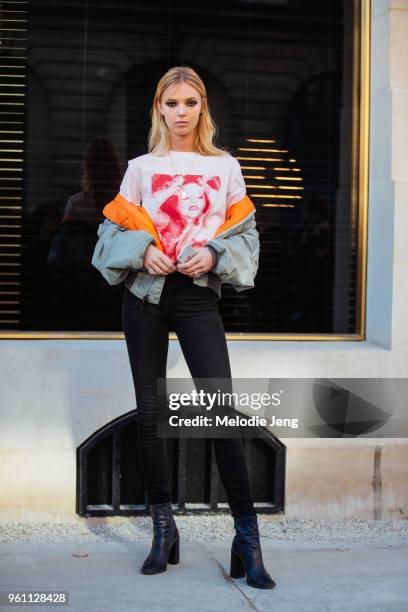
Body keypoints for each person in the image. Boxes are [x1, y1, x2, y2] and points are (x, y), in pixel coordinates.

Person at [91, 66, 275, 590]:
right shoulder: (140, 168)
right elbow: (109, 236)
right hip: (144, 300)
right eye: (171, 103)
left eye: (190, 102)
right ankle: (163, 529)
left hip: (197, 301)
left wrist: (214, 253)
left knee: (220, 414)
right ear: (158, 109)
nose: (180, 111)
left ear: (202, 108)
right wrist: (143, 249)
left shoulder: (226, 168)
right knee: (150, 415)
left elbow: (247, 240)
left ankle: (247, 538)